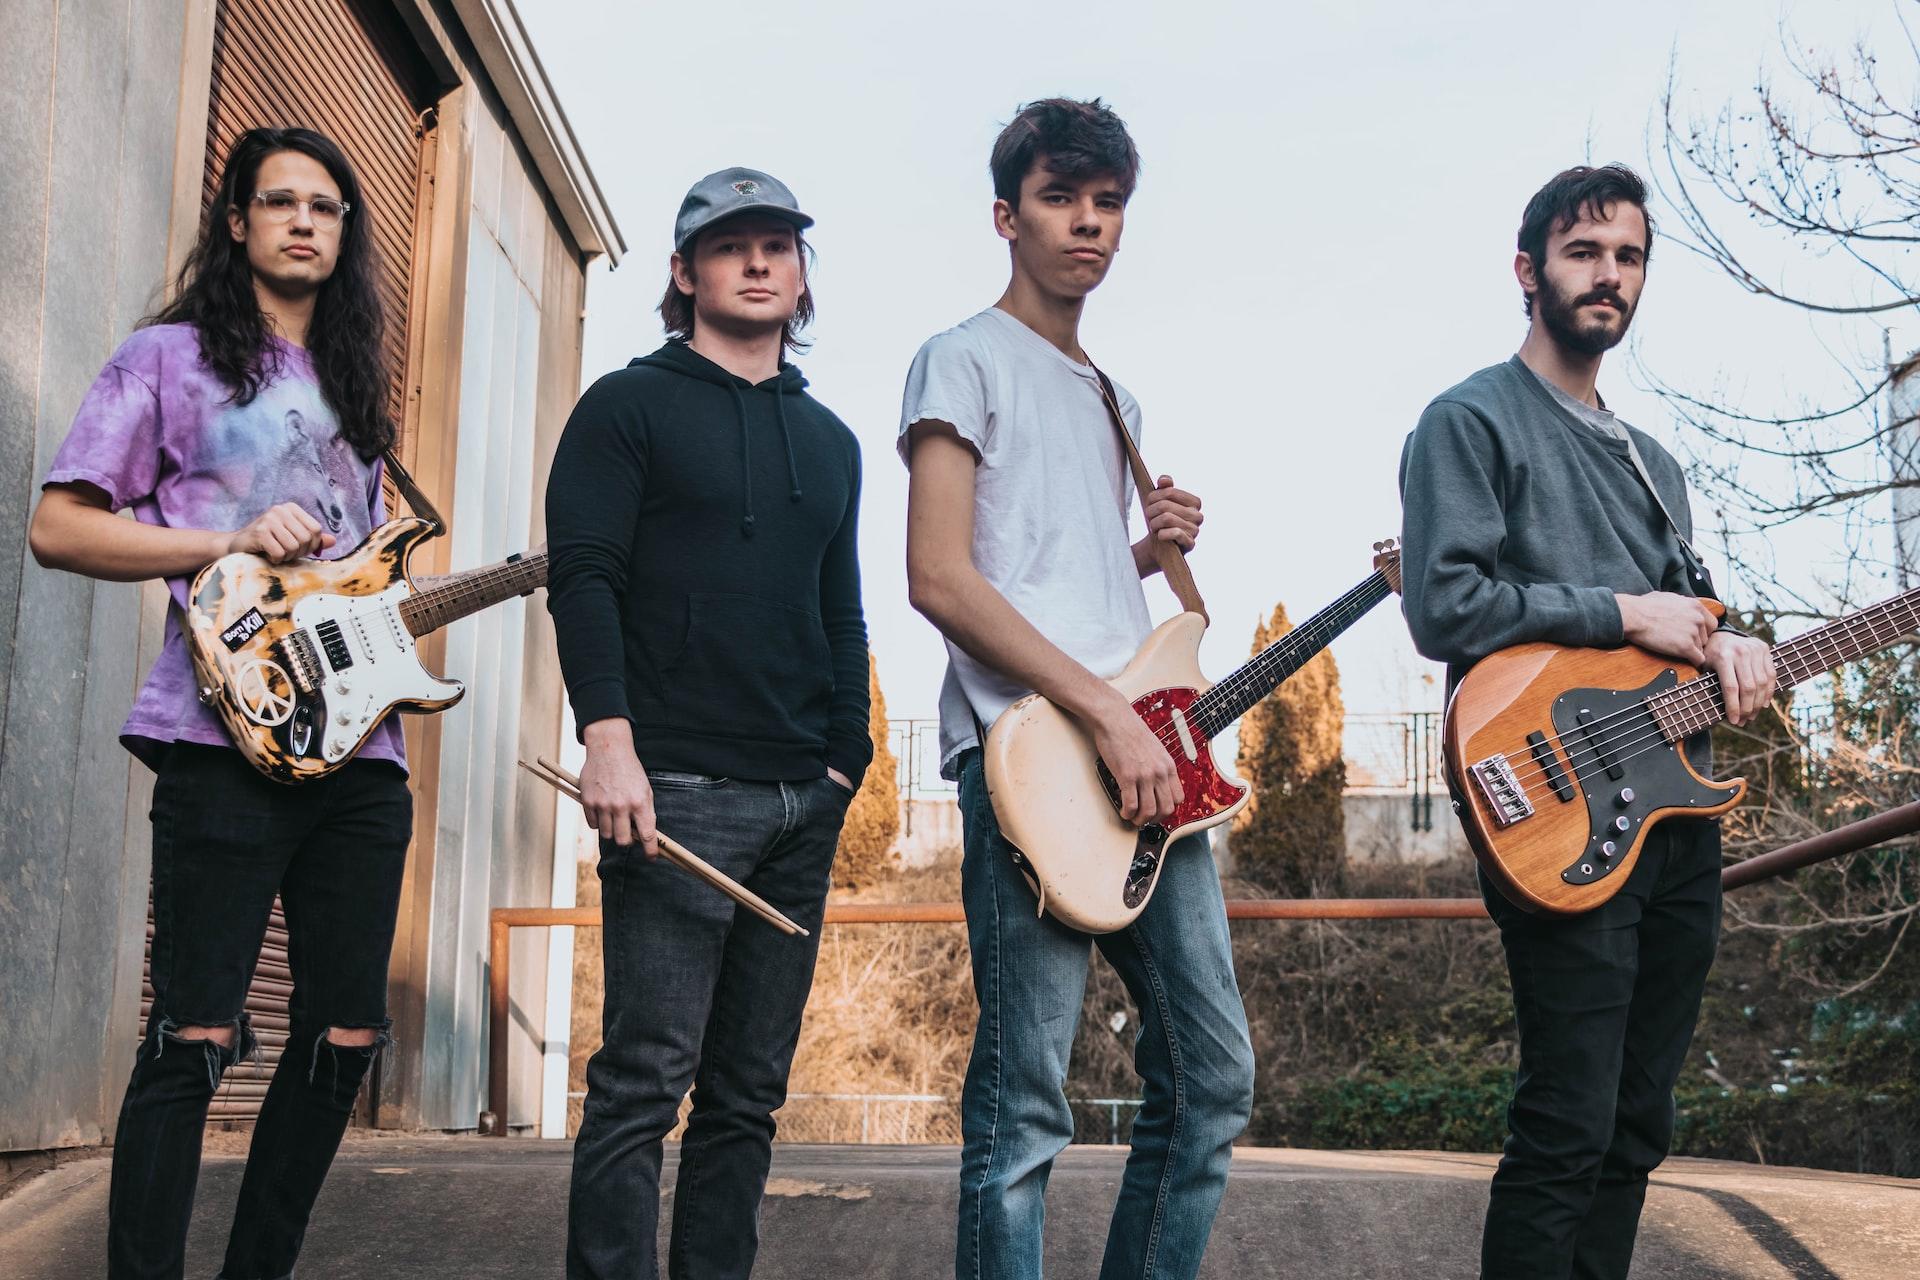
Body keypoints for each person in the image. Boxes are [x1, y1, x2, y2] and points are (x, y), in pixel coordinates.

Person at [28, 126, 412, 1280]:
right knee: (195, 1029)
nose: (304, 221)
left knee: (347, 1031)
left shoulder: (356, 390)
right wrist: (223, 538)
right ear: (237, 222)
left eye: (326, 207)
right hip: (218, 735)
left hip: (364, 750)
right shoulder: (164, 359)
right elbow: (58, 526)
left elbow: (350, 580)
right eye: (280, 201)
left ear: (344, 235)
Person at [1397, 163, 1777, 1280]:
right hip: (1557, 806)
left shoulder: (1656, 467)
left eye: (1628, 257)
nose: (1608, 275)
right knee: (1568, 1121)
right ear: (1529, 271)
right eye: (1583, 252)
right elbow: (1444, 605)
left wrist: (1730, 647)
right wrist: (1622, 610)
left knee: (1637, 1122)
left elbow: (1685, 625)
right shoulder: (1470, 421)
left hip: (1677, 814)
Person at [899, 98, 1255, 1280]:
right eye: (1060, 198)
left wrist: (1146, 550)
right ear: (1008, 217)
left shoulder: (1114, 398)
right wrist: (1104, 713)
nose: (1087, 223)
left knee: (1211, 1076)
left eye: (1108, 203)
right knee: (1024, 1108)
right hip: (1032, 756)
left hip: (1143, 758)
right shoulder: (960, 358)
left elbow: (1055, 573)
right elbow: (942, 575)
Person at [547, 167, 871, 1280]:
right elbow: (584, 576)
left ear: (801, 272)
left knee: (747, 1098)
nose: (758, 261)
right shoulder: (625, 406)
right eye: (731, 245)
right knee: (643, 1082)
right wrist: (608, 736)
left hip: (802, 799)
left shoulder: (830, 441)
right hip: (673, 787)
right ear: (685, 272)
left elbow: (842, 611)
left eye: (778, 244)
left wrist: (845, 762)